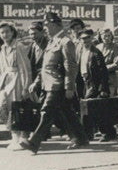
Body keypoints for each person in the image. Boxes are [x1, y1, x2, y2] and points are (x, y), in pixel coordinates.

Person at [21, 12, 88, 153]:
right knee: (67, 113)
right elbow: (45, 67)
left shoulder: (66, 42)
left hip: (58, 84)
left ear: (55, 24)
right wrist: (37, 83)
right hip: (48, 84)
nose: (45, 27)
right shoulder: (51, 42)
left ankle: (34, 142)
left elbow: (70, 66)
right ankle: (81, 139)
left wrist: (69, 87)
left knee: (46, 111)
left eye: (47, 24)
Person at [77, 28, 117, 142]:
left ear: (91, 38)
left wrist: (103, 89)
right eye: (83, 39)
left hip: (95, 84)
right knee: (90, 110)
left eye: (87, 38)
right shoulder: (81, 51)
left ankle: (106, 133)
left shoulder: (96, 53)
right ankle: (92, 133)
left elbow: (103, 72)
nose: (85, 41)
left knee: (95, 110)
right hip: (85, 83)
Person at [97, 28, 118, 95]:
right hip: (99, 79)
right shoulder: (97, 47)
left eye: (109, 36)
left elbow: (116, 64)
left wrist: (103, 68)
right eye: (105, 36)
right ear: (101, 37)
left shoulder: (115, 47)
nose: (107, 38)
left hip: (110, 79)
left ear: (111, 36)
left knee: (110, 100)